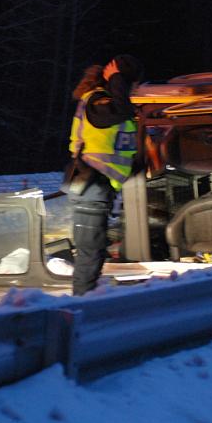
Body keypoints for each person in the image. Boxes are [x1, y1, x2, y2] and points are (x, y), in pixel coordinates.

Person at [65, 55, 142, 295]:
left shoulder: (100, 105)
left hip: (96, 185)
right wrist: (116, 77)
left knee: (93, 248)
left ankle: (86, 297)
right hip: (92, 184)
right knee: (90, 249)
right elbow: (122, 109)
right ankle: (81, 302)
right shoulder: (98, 103)